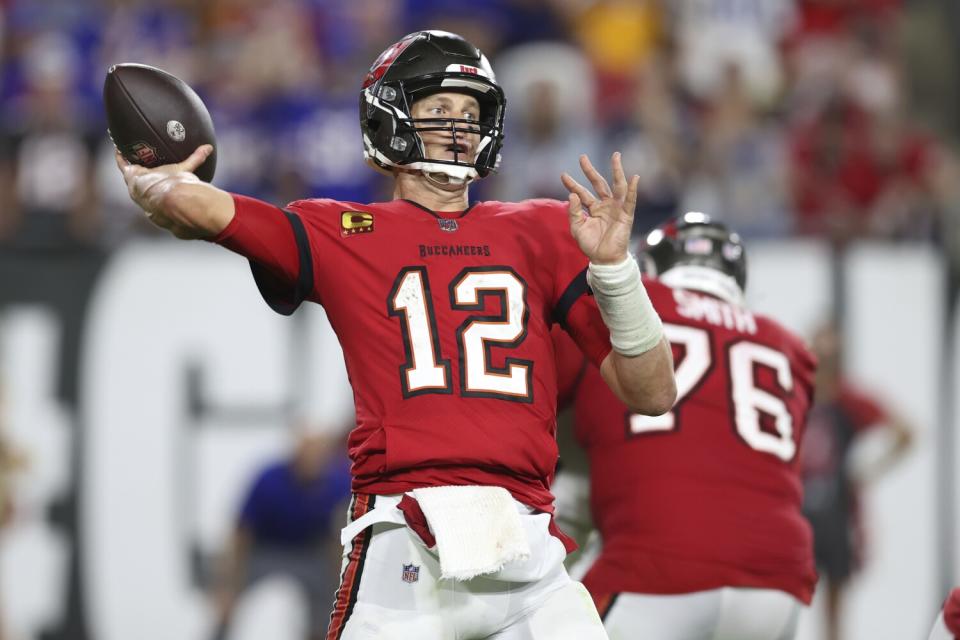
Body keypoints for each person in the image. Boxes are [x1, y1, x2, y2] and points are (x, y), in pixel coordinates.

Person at [114, 30, 676, 640]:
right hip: (404, 538)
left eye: (470, 111)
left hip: (527, 548)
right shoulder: (343, 229)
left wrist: (617, 273)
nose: (460, 127)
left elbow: (653, 392)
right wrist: (163, 184)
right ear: (391, 116)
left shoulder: (545, 228)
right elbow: (210, 211)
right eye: (439, 109)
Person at [552, 211, 818, 639]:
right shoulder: (789, 348)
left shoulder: (617, 309)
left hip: (656, 569)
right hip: (777, 580)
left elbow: (557, 440)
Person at [800, 320, 914, 640]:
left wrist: (868, 472)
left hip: (837, 515)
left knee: (833, 609)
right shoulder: (796, 393)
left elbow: (905, 433)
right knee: (786, 599)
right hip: (796, 511)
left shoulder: (848, 400)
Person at [209, 430, 352, 640]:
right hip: (263, 551)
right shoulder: (268, 478)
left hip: (309, 555)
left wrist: (342, 582)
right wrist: (227, 584)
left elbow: (337, 536)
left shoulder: (339, 482)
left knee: (329, 605)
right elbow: (241, 534)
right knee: (226, 604)